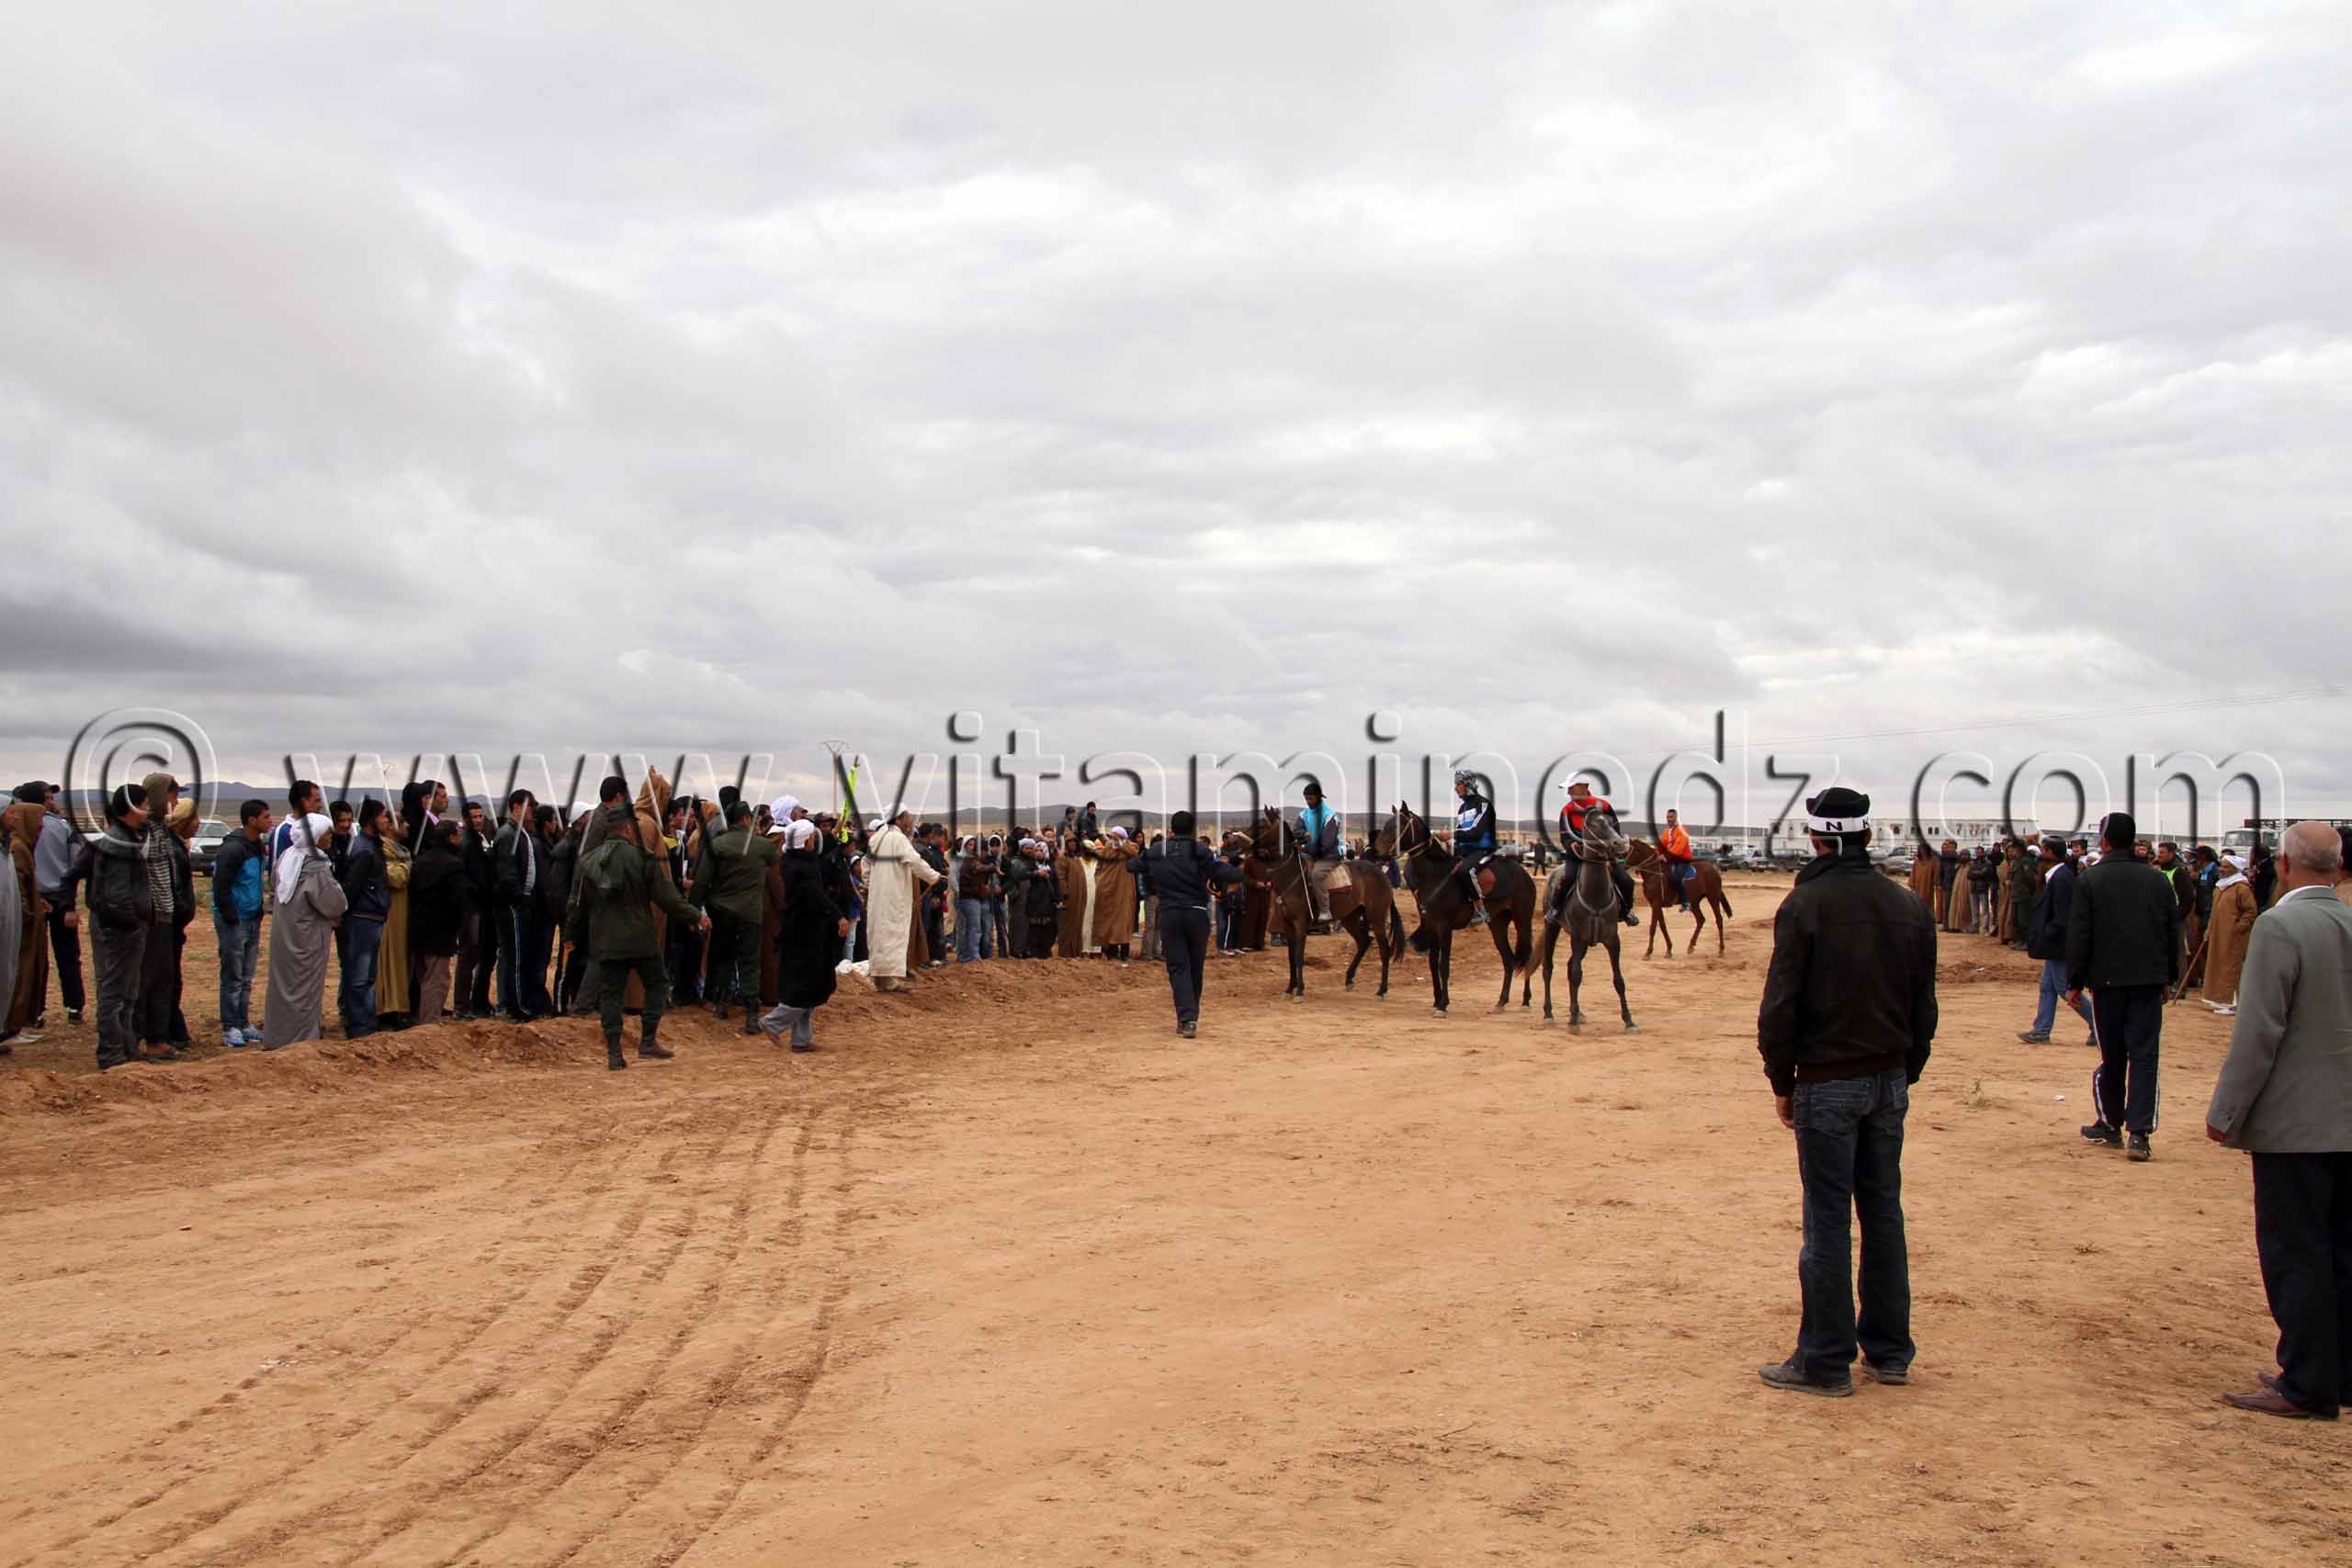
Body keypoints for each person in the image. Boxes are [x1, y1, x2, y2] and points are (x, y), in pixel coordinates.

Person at [1755, 786, 1937, 1397]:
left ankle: (1825, 1360)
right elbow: (1924, 1004)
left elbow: (1780, 1005)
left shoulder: (1804, 904)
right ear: (1867, 835)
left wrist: (1782, 1080)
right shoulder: (1908, 905)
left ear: (1815, 838)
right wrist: (1905, 1070)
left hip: (1827, 1082)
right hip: (1888, 1079)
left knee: (1827, 1220)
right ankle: (1889, 1352)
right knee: (1883, 1211)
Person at [2204, 822, 2352, 1419]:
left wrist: (2226, 1112)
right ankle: (2339, 1374)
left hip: (2295, 1124)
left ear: (2284, 865)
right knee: (2342, 1250)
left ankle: (2306, 1383)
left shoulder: (2280, 925)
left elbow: (2259, 1031)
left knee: (2295, 1251)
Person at [2065, 811, 2180, 1162]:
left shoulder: (2089, 880)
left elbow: (2080, 935)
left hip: (2106, 982)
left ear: (2104, 841)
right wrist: (2168, 978)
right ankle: (2139, 1134)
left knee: (2112, 1056)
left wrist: (2074, 982)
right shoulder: (2157, 881)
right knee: (2144, 1056)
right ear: (2132, 841)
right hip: (2147, 981)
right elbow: (2171, 932)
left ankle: (2111, 1123)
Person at [567, 786, 707, 1070]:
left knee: (611, 994)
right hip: (641, 937)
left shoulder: (588, 862)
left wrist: (570, 934)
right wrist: (695, 915)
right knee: (657, 983)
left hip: (605, 938)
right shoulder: (643, 859)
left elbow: (577, 903)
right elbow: (667, 898)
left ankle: (614, 1053)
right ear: (629, 829)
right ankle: (647, 1041)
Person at [1129, 810, 1241, 1038]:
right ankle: (1191, 1017)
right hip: (1197, 913)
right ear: (1192, 830)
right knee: (1195, 966)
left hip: (1170, 914)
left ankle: (1186, 1018)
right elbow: (1220, 871)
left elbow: (1132, 865)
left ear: (1172, 828)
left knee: (1178, 967)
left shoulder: (1158, 850)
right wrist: (1241, 873)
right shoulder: (1200, 850)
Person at [759, 820, 851, 1050]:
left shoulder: (797, 862)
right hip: (804, 935)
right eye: (812, 837)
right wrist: (838, 916)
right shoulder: (800, 870)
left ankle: (801, 1040)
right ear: (806, 841)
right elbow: (817, 897)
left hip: (805, 932)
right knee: (805, 985)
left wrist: (834, 834)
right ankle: (773, 1023)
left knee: (810, 985)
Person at [690, 800, 779, 1031]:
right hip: (751, 913)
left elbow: (701, 882)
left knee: (724, 958)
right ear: (747, 819)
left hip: (722, 912)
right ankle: (751, 1013)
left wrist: (693, 911)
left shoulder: (717, 845)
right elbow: (775, 864)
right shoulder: (762, 846)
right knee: (750, 961)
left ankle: (722, 1005)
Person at [88, 784, 159, 1069]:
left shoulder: (126, 838)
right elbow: (117, 895)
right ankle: (111, 1053)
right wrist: (132, 922)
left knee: (128, 993)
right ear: (132, 808)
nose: (148, 811)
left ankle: (127, 1050)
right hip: (121, 930)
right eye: (144, 805)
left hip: (128, 928)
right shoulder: (119, 842)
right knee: (115, 993)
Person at [264, 811, 345, 1049]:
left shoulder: (287, 857)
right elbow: (333, 902)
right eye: (327, 833)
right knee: (304, 988)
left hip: (285, 932)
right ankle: (300, 1041)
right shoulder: (315, 865)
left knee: (283, 986)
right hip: (306, 936)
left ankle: (278, 1037)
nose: (330, 837)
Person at [2016, 836, 2094, 1043]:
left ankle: (2098, 1025)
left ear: (2050, 853)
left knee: (2062, 987)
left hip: (2059, 944)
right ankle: (2041, 1030)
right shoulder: (2059, 876)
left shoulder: (2061, 878)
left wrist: (2046, 935)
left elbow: (2063, 917)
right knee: (2047, 986)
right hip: (2056, 943)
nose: (2040, 854)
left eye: (2043, 849)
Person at [210, 798, 272, 1046]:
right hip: (234, 921)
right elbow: (220, 886)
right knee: (233, 976)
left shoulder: (257, 846)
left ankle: (243, 1022)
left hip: (251, 917)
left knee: (246, 976)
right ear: (251, 820)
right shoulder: (233, 849)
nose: (270, 821)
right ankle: (230, 1027)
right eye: (266, 817)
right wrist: (231, 917)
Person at [864, 810, 942, 993]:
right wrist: (934, 877)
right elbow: (915, 861)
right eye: (907, 816)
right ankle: (887, 981)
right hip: (894, 896)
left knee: (881, 937)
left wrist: (871, 885)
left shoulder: (877, 838)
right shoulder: (898, 839)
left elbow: (865, 864)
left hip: (879, 896)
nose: (910, 819)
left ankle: (883, 980)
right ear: (898, 819)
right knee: (891, 936)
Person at [31, 782, 86, 1026]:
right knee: (68, 954)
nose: (52, 802)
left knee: (35, 957)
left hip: (33, 898)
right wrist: (71, 904)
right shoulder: (63, 827)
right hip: (61, 896)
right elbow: (75, 864)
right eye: (48, 798)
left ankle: (36, 1010)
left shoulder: (18, 829)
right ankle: (75, 1006)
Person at [338, 799, 392, 1039]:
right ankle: (361, 1027)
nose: (387, 821)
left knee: (367, 975)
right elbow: (351, 887)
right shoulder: (364, 850)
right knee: (360, 976)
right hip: (362, 917)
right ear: (372, 819)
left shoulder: (372, 846)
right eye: (383, 816)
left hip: (372, 916)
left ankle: (367, 1024)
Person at [408, 818, 468, 1024]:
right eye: (458, 835)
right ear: (451, 838)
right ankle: (429, 1024)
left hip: (417, 928)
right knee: (437, 979)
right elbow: (457, 901)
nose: (460, 839)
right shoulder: (453, 865)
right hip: (440, 931)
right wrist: (457, 927)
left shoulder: (420, 860)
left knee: (423, 976)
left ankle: (422, 1019)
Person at [1557, 780, 1640, 926]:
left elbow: (1614, 832)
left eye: (1571, 788)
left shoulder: (1605, 806)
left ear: (1584, 787)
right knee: (1568, 878)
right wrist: (1571, 844)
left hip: (1606, 856)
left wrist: (1609, 855)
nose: (1569, 792)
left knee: (1626, 881)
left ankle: (1626, 911)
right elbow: (1564, 836)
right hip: (1577, 856)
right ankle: (1555, 909)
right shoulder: (1566, 810)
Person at [492, 788, 541, 1021]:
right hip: (511, 904)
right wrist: (519, 898)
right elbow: (506, 872)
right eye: (529, 806)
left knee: (516, 954)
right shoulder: (509, 834)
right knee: (515, 956)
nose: (533, 811)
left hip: (518, 901)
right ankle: (515, 1006)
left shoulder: (518, 832)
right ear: (517, 807)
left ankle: (515, 1003)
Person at [1, 794, 46, 1047]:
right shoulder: (16, 849)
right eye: (10, 813)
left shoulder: (13, 847)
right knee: (16, 976)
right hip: (16, 925)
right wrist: (26, 916)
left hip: (18, 923)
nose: (42, 825)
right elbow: (15, 889)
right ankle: (9, 1026)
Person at [453, 799, 496, 1019]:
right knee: (468, 956)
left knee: (479, 954)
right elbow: (463, 876)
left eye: (481, 816)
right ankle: (461, 1006)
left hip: (482, 905)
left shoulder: (479, 840)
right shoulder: (467, 844)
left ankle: (473, 1002)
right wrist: (478, 890)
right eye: (474, 817)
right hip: (471, 906)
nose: (478, 820)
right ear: (466, 819)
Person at [2202, 852, 2260, 1015]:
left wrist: (2238, 929)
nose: (2222, 869)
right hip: (2218, 935)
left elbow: (2250, 912)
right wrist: (2209, 929)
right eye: (2221, 866)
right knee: (2218, 965)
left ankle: (2232, 1002)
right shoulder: (2220, 887)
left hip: (2234, 936)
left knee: (2231, 967)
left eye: (2226, 867)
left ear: (2234, 869)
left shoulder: (2242, 888)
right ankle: (2220, 999)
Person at [1452, 770, 1498, 926]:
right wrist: (1457, 855)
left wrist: (1452, 834)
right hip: (1466, 853)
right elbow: (1460, 833)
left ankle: (1481, 912)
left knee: (1466, 871)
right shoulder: (1462, 808)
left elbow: (1476, 833)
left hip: (1483, 850)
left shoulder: (1483, 804)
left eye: (1459, 784)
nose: (1456, 788)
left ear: (1468, 784)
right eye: (1456, 784)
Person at [1297, 781, 1344, 922]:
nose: (1308, 801)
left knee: (1316, 874)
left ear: (1318, 797)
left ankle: (1325, 911)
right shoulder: (1304, 814)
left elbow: (1326, 844)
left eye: (1310, 798)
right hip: (1309, 854)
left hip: (1328, 856)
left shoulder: (1330, 816)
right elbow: (1297, 830)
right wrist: (1303, 833)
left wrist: (1305, 848)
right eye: (1306, 798)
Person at [955, 835, 995, 962]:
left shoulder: (973, 860)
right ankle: (971, 956)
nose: (986, 854)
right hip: (969, 898)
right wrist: (993, 868)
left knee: (971, 928)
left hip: (972, 897)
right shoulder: (971, 861)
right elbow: (978, 869)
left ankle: (969, 955)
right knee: (972, 928)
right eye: (985, 851)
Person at [1657, 808, 1694, 910]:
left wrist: (1664, 856)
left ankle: (1686, 902)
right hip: (1671, 860)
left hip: (1683, 860)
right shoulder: (1667, 831)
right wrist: (1657, 854)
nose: (1669, 819)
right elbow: (1662, 845)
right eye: (1667, 817)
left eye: (1671, 817)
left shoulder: (1682, 830)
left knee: (1676, 878)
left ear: (1676, 817)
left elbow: (1678, 849)